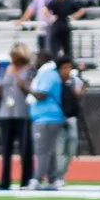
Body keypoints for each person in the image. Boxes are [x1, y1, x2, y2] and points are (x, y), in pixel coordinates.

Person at [27, 51, 72, 189]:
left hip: (46, 117)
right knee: (50, 151)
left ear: (42, 60)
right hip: (48, 117)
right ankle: (53, 178)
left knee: (42, 150)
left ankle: (37, 178)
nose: (35, 62)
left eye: (37, 59)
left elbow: (42, 95)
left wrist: (25, 87)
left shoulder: (48, 74)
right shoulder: (50, 74)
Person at [0, 44, 34, 191]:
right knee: (6, 149)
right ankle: (5, 180)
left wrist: (24, 86)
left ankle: (26, 179)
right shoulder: (6, 70)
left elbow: (31, 90)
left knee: (25, 148)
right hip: (6, 112)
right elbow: (2, 91)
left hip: (23, 113)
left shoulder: (29, 70)